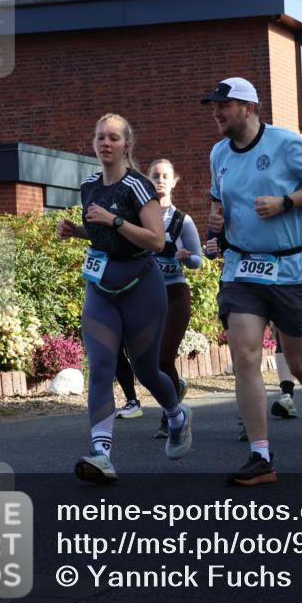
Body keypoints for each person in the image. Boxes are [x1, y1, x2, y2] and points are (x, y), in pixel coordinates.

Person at [203, 77, 302, 486]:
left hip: (289, 267)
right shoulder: (218, 153)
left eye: (223, 106)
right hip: (243, 268)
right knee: (244, 357)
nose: (216, 112)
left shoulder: (285, 144)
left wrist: (287, 202)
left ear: (248, 108)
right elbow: (219, 200)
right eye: (213, 105)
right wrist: (217, 220)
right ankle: (260, 455)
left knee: (301, 363)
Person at [57, 113, 192, 484]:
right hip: (101, 286)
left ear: (126, 145)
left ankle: (177, 416)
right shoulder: (88, 186)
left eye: (113, 138)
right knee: (101, 366)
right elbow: (102, 234)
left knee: (147, 370)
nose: (106, 143)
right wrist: (79, 230)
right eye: (100, 137)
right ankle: (101, 454)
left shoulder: (138, 186)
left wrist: (114, 221)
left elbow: (157, 241)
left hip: (141, 287)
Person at [107, 159, 203, 435]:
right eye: (155, 176)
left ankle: (170, 416)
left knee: (162, 358)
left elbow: (199, 260)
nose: (160, 180)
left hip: (174, 294)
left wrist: (187, 258)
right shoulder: (138, 219)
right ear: (147, 181)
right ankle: (175, 389)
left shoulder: (183, 221)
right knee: (146, 362)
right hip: (144, 294)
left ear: (174, 182)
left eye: (165, 176)